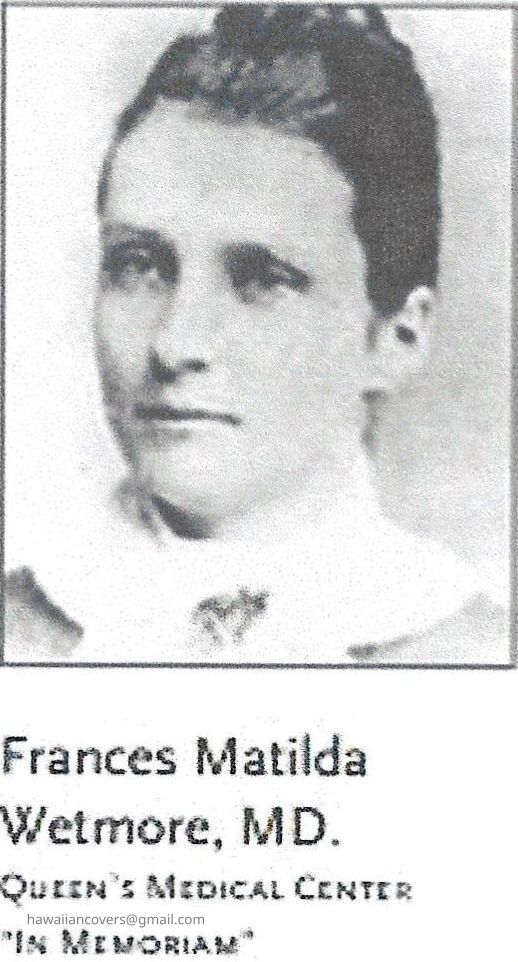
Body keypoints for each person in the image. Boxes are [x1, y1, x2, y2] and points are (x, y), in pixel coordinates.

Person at [5, 4, 509, 664]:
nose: (175, 344)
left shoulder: (476, 655)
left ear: (397, 337)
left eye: (263, 278)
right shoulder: (20, 635)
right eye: (137, 265)